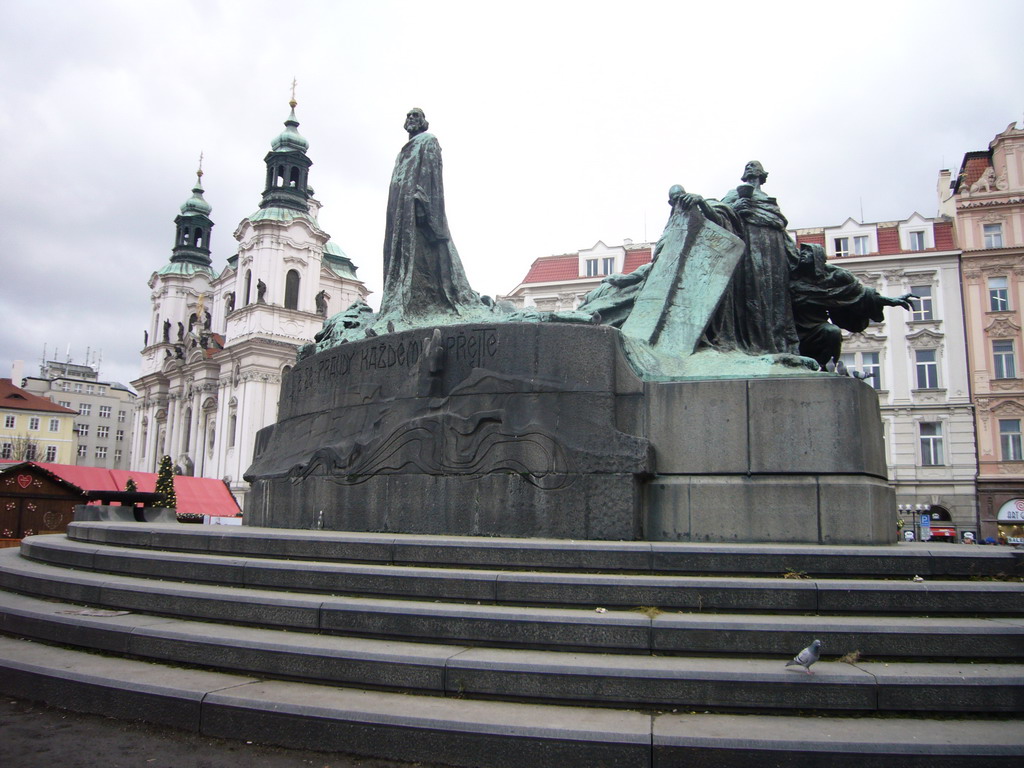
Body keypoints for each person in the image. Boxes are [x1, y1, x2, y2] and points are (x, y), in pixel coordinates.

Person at [380, 108, 479, 320]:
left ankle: (423, 303)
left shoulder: (428, 141)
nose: (411, 119)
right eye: (408, 116)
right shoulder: (402, 152)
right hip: (399, 211)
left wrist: (422, 202)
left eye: (416, 115)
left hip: (417, 206)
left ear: (424, 121)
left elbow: (432, 175)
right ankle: (402, 300)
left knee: (423, 255)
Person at [704, 161, 801, 356]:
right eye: (747, 166)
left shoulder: (768, 199)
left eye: (754, 166)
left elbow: (779, 225)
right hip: (748, 246)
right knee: (751, 293)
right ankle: (753, 344)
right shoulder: (734, 193)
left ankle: (776, 343)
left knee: (774, 296)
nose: (750, 167)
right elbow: (720, 212)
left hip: (772, 250)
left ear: (762, 174)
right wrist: (736, 207)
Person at [789, 243, 915, 368]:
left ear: (817, 257)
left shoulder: (833, 277)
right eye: (803, 251)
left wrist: (891, 301)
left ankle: (825, 369)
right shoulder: (792, 277)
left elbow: (861, 294)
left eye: (809, 251)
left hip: (816, 326)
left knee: (832, 332)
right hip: (792, 328)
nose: (803, 254)